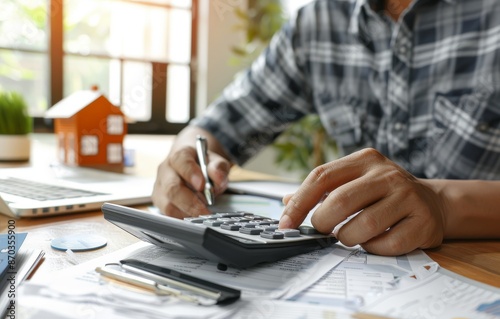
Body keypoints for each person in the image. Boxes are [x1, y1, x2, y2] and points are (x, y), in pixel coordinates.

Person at [152, 0, 500, 256]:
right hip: (361, 268)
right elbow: (215, 127)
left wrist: (442, 205)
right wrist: (186, 161)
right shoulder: (316, 23)